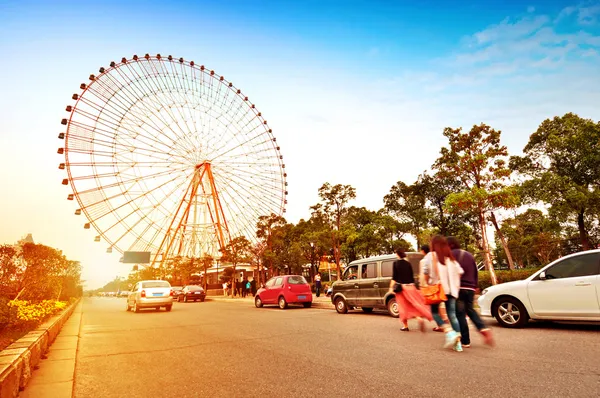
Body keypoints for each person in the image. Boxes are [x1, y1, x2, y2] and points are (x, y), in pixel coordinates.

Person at [447, 237, 494, 348]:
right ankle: (483, 328)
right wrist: (475, 286)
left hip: (459, 288)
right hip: (470, 288)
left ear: (450, 245)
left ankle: (465, 341)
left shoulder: (450, 256)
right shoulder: (469, 255)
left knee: (460, 315)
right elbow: (475, 272)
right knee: (471, 310)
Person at [429, 235, 464, 351]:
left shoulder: (433, 256)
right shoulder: (451, 258)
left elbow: (430, 274)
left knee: (434, 312)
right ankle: (458, 344)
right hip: (452, 290)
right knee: (452, 315)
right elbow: (460, 272)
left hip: (439, 290)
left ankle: (449, 332)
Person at [389, 248, 433, 332]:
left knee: (403, 306)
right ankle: (419, 318)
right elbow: (411, 277)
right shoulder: (408, 263)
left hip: (402, 288)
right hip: (411, 286)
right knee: (413, 304)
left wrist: (391, 288)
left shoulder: (395, 263)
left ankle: (405, 326)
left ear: (397, 254)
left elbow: (394, 277)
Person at [420, 244, 446, 332]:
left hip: (434, 286)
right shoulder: (443, 254)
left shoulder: (428, 257)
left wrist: (427, 283)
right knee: (446, 308)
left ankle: (446, 327)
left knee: (434, 311)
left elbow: (425, 272)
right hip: (445, 285)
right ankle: (441, 325)